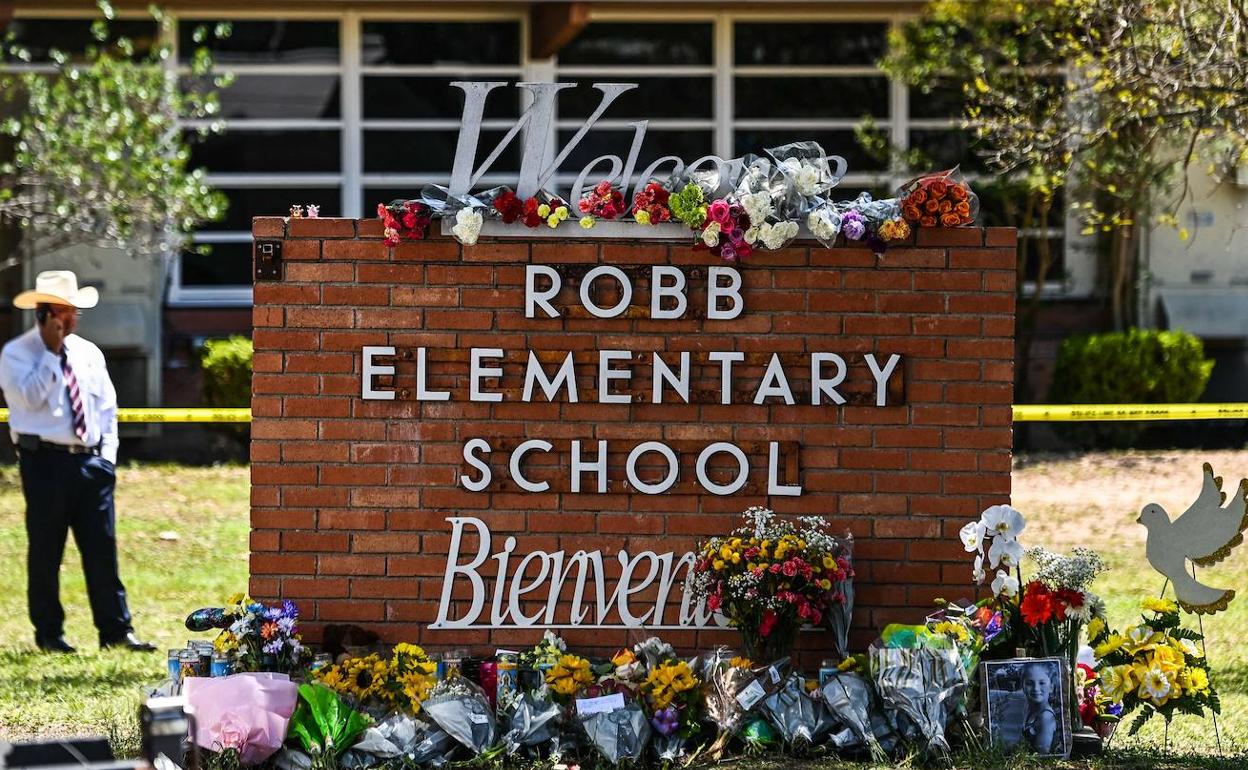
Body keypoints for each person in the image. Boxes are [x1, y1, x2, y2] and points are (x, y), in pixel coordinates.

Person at [0, 270, 155, 653]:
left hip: (91, 464)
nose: (70, 319)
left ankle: (116, 631)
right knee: (46, 550)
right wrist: (51, 355)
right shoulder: (17, 354)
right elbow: (29, 399)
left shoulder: (89, 353)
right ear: (43, 314)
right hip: (44, 461)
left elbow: (107, 408)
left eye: (73, 311)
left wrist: (107, 458)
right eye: (63, 312)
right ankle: (50, 634)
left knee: (102, 549)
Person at [1020, 662, 1059, 753]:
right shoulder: (1031, 709)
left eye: (1042, 683)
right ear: (1023, 686)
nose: (1036, 688)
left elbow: (1042, 753)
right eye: (1029, 683)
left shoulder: (1045, 717)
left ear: (1051, 687)